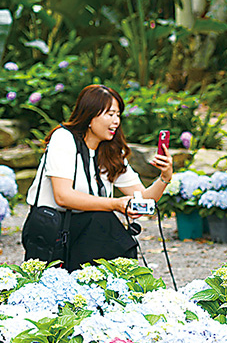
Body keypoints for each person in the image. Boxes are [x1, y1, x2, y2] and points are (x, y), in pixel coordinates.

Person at [24, 84, 174, 270]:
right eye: (110, 114)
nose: (116, 121)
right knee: (105, 222)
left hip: (89, 231)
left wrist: (165, 176)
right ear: (89, 115)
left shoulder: (110, 150)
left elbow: (143, 199)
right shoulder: (63, 138)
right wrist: (115, 204)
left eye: (118, 115)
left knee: (111, 232)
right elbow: (62, 196)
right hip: (53, 229)